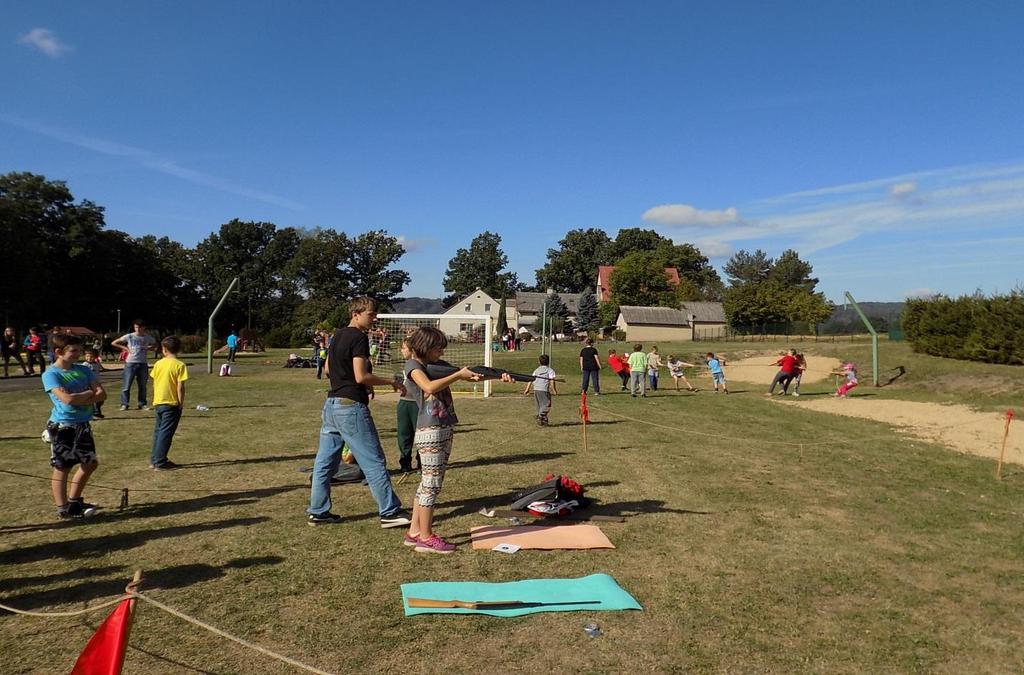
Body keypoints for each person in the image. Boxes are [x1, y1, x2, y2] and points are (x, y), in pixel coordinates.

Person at [402, 326, 510, 554]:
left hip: (441, 427)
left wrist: (498, 376)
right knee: (431, 484)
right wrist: (458, 375)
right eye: (437, 349)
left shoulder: (434, 366)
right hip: (430, 429)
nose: (441, 353)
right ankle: (426, 537)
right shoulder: (413, 366)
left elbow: (470, 375)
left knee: (427, 483)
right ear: (425, 347)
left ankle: (414, 532)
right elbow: (429, 387)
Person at [307, 296, 411, 528]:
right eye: (371, 314)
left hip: (332, 405)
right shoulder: (358, 338)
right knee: (373, 460)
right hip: (350, 406)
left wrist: (360, 383)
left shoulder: (336, 336)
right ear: (356, 314)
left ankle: (318, 511)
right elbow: (360, 376)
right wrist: (390, 382)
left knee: (324, 462)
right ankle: (390, 512)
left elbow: (326, 370)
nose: (374, 318)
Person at [41, 334, 106, 519]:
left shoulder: (84, 370)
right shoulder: (51, 374)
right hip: (63, 426)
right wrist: (88, 393)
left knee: (90, 463)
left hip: (82, 424)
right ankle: (63, 508)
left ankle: (74, 501)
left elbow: (102, 394)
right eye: (73, 351)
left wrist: (81, 397)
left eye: (79, 350)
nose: (78, 354)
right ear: (58, 352)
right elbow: (67, 400)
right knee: (63, 466)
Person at [149, 336, 189, 470]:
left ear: (164, 349)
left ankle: (155, 459)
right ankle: (160, 462)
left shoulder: (158, 364)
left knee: (158, 432)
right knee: (165, 433)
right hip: (171, 402)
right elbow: (180, 387)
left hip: (158, 401)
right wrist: (180, 403)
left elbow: (154, 382)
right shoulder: (180, 365)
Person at [112, 320, 157, 411]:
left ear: (144, 327)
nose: (138, 329)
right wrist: (125, 348)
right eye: (136, 327)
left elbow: (155, 345)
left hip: (143, 363)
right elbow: (114, 342)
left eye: (140, 327)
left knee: (142, 386)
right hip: (130, 363)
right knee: (126, 385)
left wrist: (149, 348)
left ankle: (142, 404)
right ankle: (124, 404)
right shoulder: (129, 336)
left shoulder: (148, 337)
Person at [395, 338, 418, 474]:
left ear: (412, 350)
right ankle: (405, 462)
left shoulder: (419, 365)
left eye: (404, 348)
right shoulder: (404, 365)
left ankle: (422, 462)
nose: (401, 351)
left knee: (420, 434)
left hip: (417, 404)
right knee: (404, 434)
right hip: (404, 402)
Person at [523, 354, 557, 425]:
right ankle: (541, 415)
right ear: (548, 362)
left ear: (539, 362)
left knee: (539, 405)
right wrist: (554, 390)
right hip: (544, 390)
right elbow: (552, 381)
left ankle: (543, 420)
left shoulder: (536, 370)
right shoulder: (550, 370)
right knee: (547, 404)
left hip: (536, 390)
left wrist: (527, 389)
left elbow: (531, 379)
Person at [82, 348, 108, 418]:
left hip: (97, 383)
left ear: (95, 357)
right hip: (89, 384)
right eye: (87, 356)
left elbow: (101, 369)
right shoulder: (85, 365)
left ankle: (97, 411)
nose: (89, 358)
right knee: (92, 399)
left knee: (101, 398)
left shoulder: (96, 364)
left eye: (91, 356)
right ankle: (93, 412)